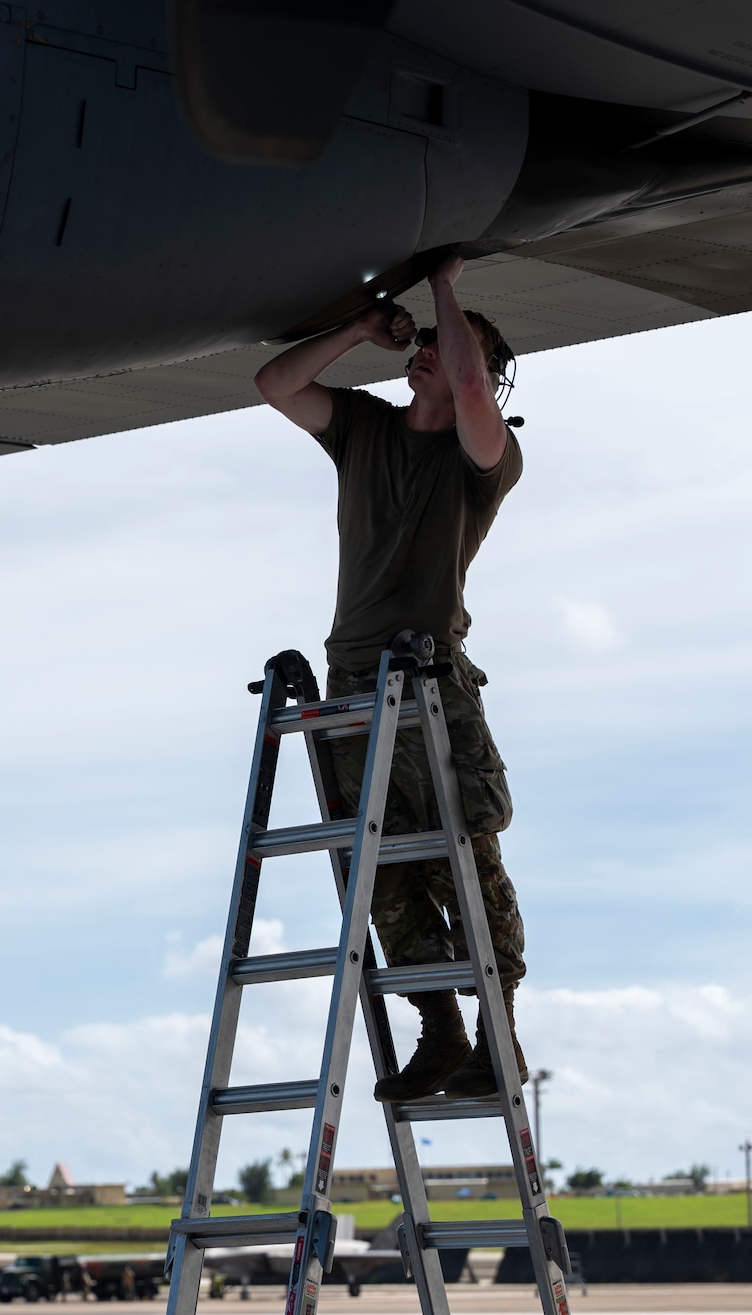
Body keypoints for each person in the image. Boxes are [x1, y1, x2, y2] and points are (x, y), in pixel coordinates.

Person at [251, 253, 527, 1102]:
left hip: (429, 683)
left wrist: (447, 288)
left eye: (454, 347)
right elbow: (273, 382)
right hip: (354, 683)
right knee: (386, 880)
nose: (435, 352)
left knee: (463, 856)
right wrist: (362, 329)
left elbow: (476, 398)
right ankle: (437, 1026)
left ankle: (497, 1028)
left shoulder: (486, 459)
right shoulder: (365, 428)